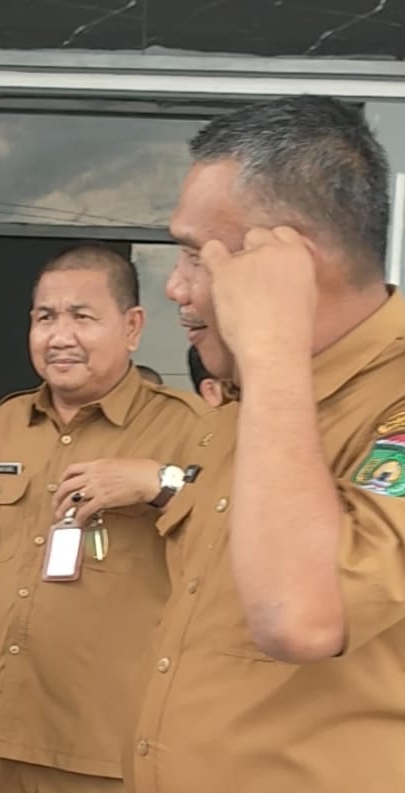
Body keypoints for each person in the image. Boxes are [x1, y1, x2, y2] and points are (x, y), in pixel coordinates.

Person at [124, 95, 405, 793]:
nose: (175, 286)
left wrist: (275, 342)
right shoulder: (250, 396)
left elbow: (298, 620)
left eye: (197, 255)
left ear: (292, 265)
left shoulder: (354, 394)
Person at [0, 245, 209, 793]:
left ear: (132, 327)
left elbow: (230, 553)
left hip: (107, 746)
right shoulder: (7, 423)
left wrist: (160, 484)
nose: (60, 336)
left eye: (82, 317)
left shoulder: (188, 428)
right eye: (45, 317)